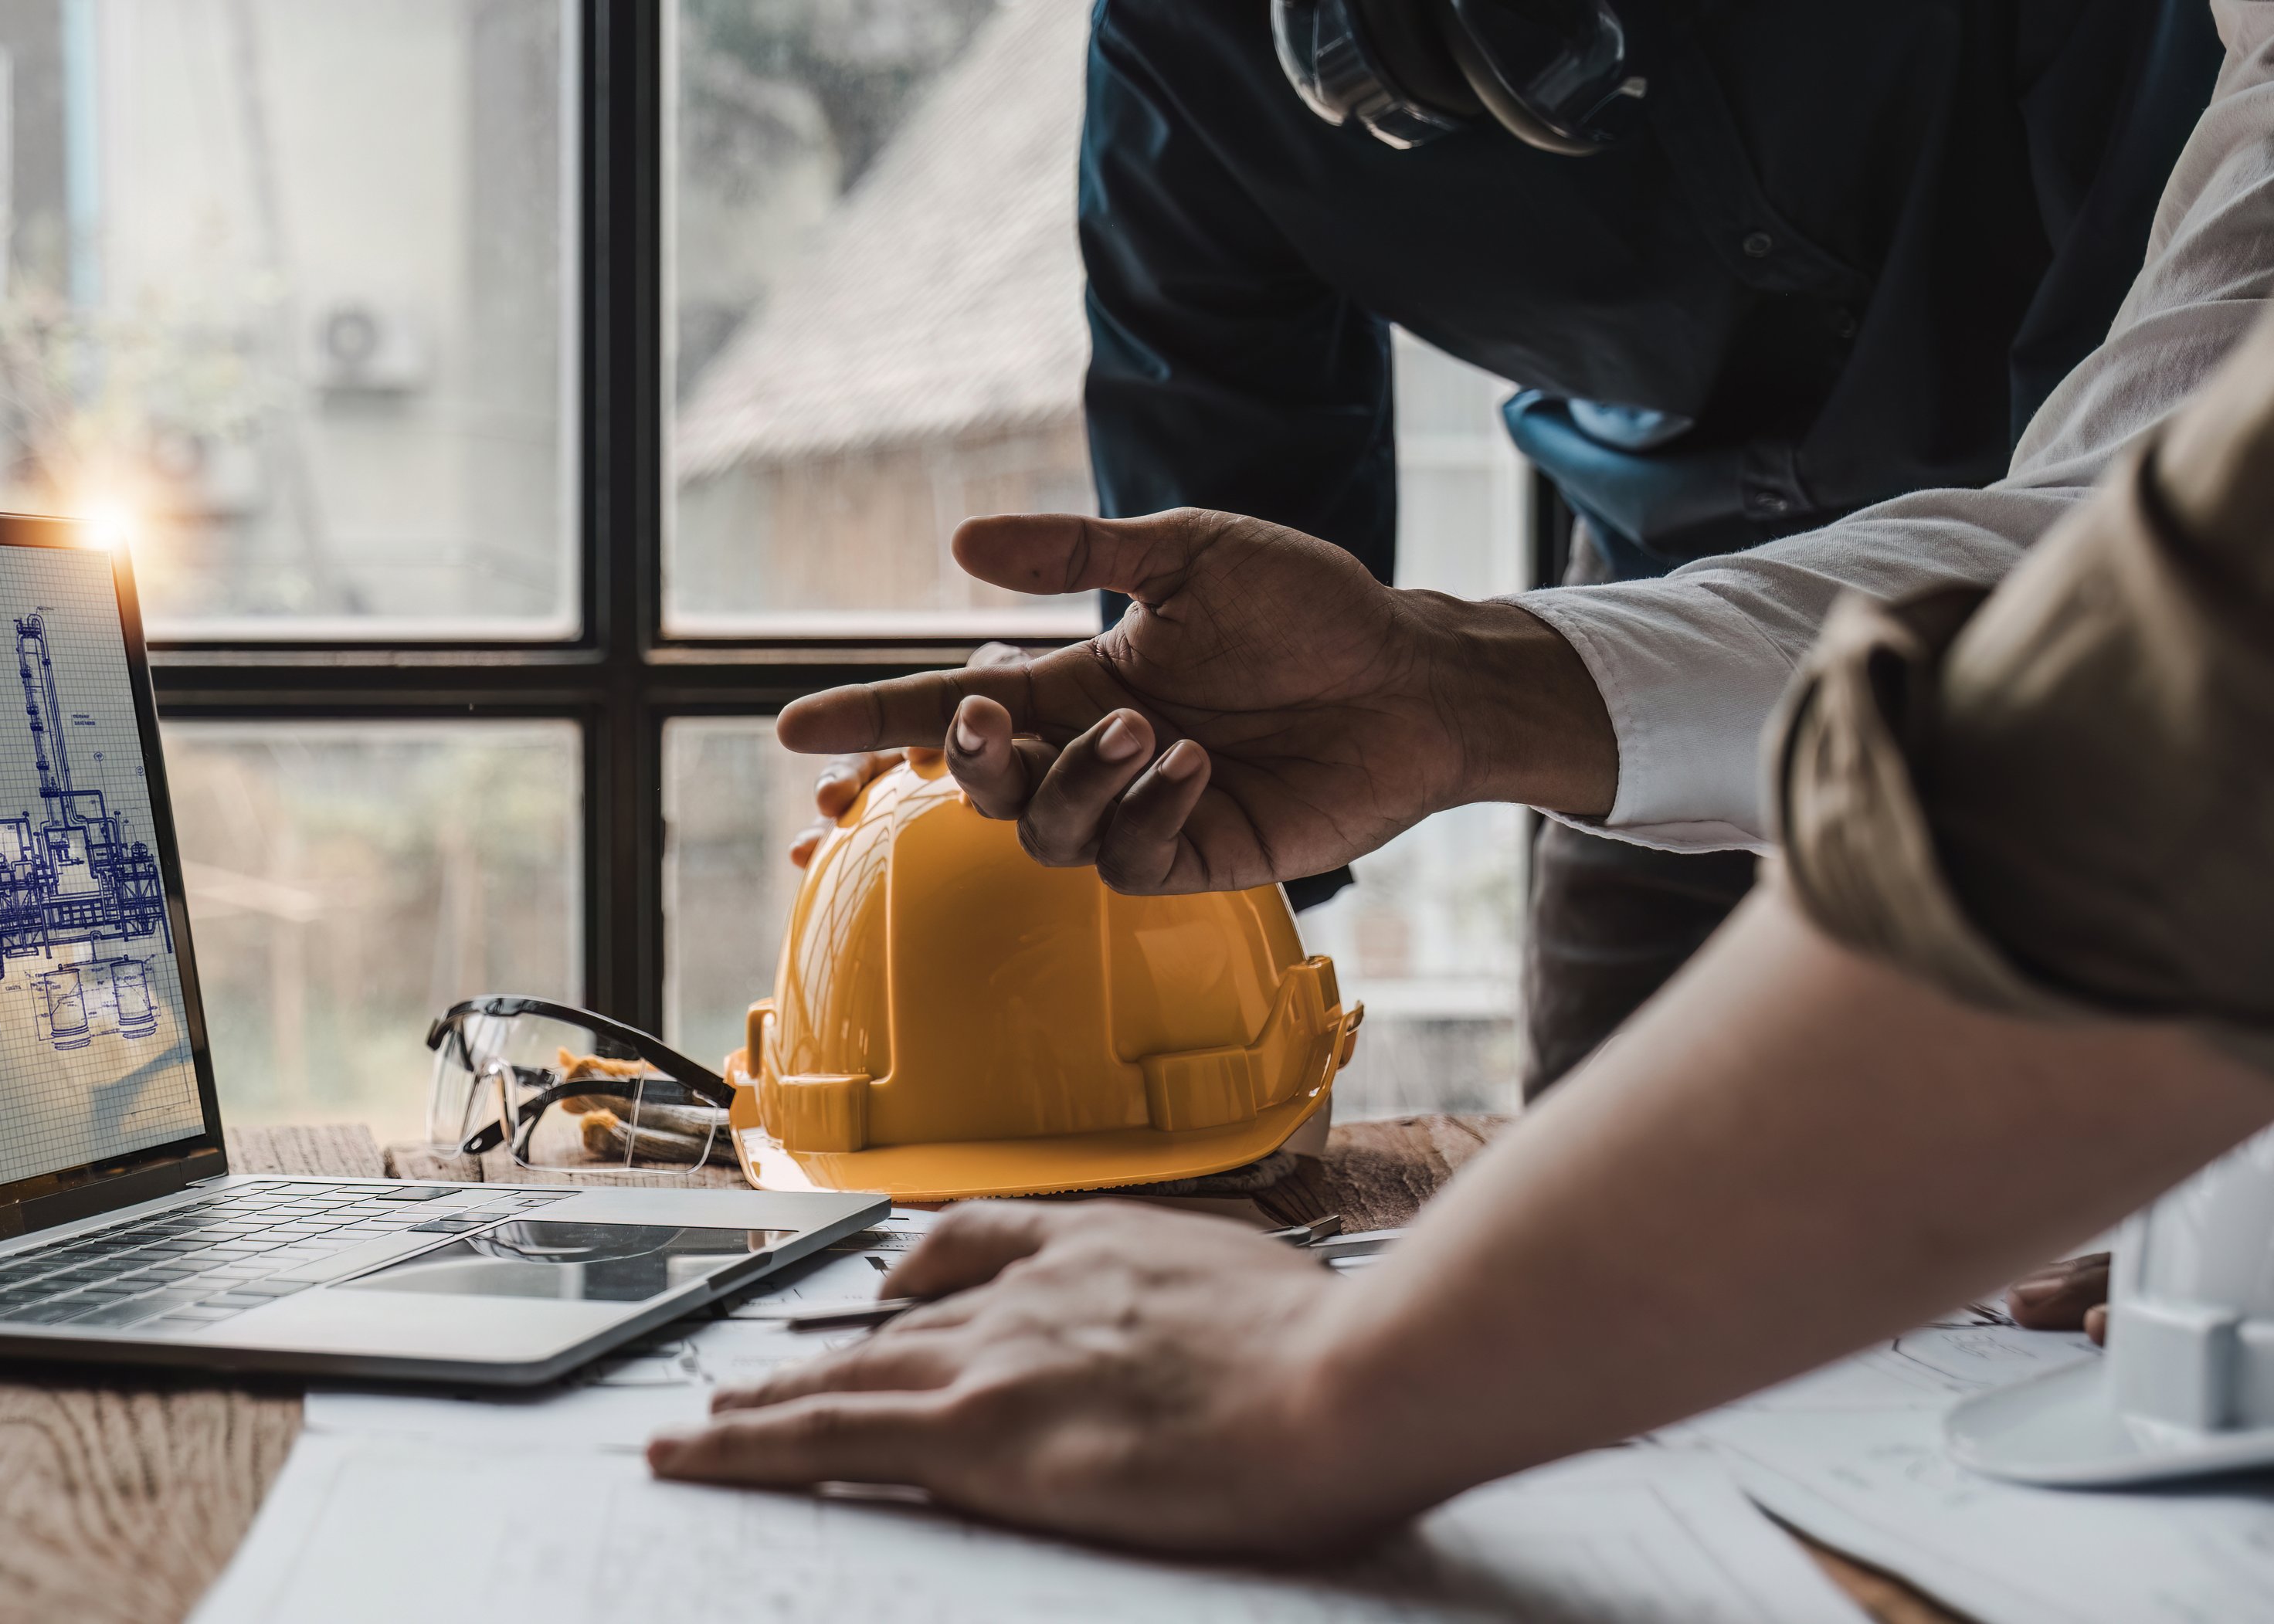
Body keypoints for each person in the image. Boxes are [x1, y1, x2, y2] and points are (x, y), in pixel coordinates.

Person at [641, 5, 2274, 1548]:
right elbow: (2139, 534)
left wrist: (1355, 1377)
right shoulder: (1185, 52)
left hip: (1971, 610)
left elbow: (2166, 658)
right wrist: (1436, 693)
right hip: (1675, 598)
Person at [796, 0, 2220, 1097]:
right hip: (1663, 600)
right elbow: (1227, 635)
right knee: (1618, 1228)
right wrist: (1109, 797)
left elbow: (2157, 517)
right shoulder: (1190, 49)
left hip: (2147, 576)